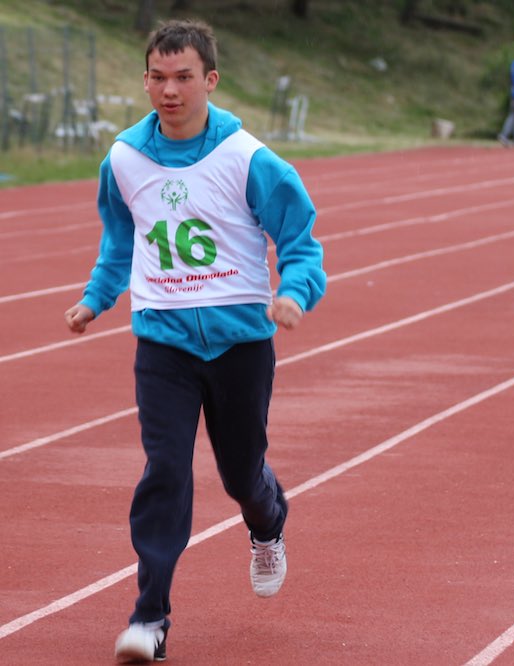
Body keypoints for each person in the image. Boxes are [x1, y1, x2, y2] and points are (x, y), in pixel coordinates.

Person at [63, 19, 326, 663]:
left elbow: (299, 239)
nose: (170, 91)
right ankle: (149, 617)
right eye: (158, 77)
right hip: (163, 343)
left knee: (241, 475)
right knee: (165, 470)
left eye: (183, 77)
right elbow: (120, 241)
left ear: (210, 80)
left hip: (240, 344)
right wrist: (96, 298)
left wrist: (295, 292)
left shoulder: (249, 159)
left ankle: (268, 522)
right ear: (145, 80)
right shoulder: (123, 160)